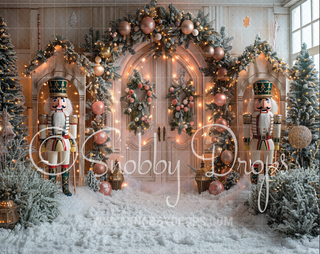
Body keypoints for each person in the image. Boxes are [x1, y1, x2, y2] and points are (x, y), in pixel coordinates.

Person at [39, 77, 77, 196]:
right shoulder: (45, 117)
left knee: (66, 164)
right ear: (49, 102)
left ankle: (65, 187)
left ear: (67, 103)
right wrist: (43, 143)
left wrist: (73, 143)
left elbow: (74, 131)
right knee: (52, 164)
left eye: (62, 100)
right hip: (51, 143)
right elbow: (43, 130)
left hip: (65, 142)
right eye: (55, 100)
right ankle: (51, 188)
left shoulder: (70, 117)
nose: (59, 104)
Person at [243, 80, 281, 184]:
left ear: (271, 102)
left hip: (269, 142)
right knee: (255, 163)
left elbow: (277, 130)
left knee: (269, 162)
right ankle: (254, 183)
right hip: (255, 142)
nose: (264, 104)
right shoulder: (250, 116)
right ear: (254, 103)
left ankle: (268, 182)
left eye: (267, 101)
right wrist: (246, 143)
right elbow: (246, 129)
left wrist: (277, 143)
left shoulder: (274, 116)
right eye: (259, 101)